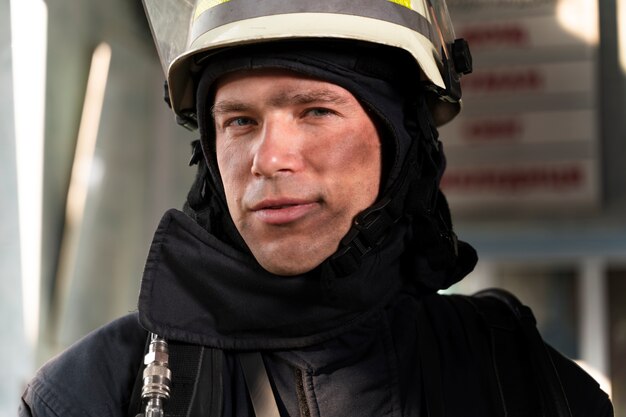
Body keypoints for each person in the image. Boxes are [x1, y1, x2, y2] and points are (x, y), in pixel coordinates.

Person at [20, 1, 613, 416]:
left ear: (401, 144)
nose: (269, 158)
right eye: (240, 122)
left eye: (315, 111)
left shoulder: (523, 382)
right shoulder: (92, 393)